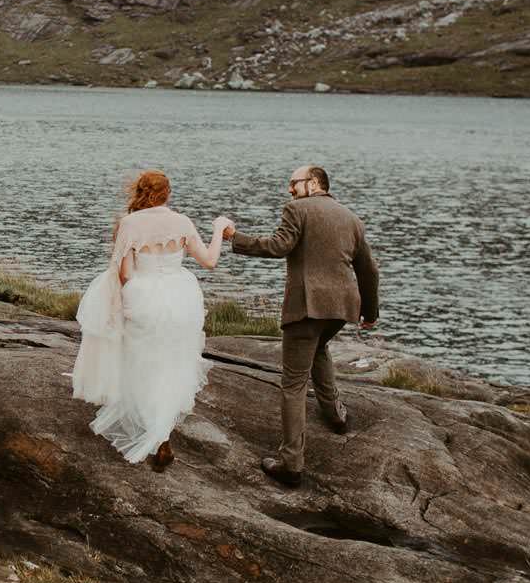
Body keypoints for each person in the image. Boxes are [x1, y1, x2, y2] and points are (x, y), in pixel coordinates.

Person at [222, 164, 379, 487]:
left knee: (293, 384)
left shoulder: (297, 209)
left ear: (314, 182)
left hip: (307, 306)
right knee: (320, 347)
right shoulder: (351, 217)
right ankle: (335, 414)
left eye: (294, 182)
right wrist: (370, 312)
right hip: (342, 308)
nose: (290, 189)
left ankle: (291, 463)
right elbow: (369, 270)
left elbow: (278, 247)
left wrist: (234, 238)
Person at [72, 170, 232, 471]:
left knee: (144, 363)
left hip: (145, 296)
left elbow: (123, 273)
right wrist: (219, 229)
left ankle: (158, 437)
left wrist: (130, 298)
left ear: (139, 192)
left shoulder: (129, 224)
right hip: (182, 297)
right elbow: (209, 261)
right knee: (173, 362)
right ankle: (163, 430)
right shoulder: (182, 222)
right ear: (167, 193)